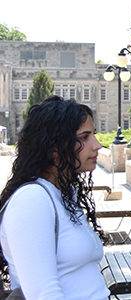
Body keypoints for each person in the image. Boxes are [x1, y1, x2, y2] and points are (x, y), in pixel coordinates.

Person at [0, 96, 109, 299]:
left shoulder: (63, 195)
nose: (97, 145)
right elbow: (44, 294)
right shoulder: (32, 200)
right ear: (54, 148)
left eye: (93, 134)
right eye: (84, 137)